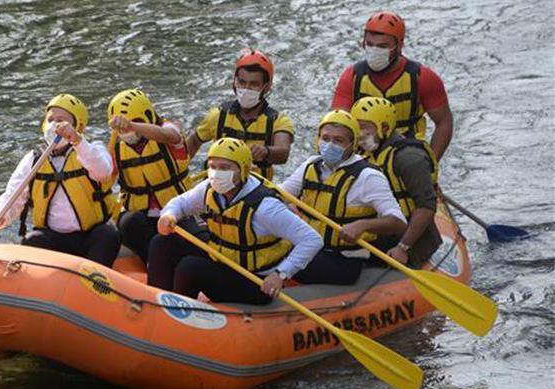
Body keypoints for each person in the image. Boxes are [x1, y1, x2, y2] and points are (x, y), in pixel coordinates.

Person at [147, 138, 323, 305]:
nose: (216, 173)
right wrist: (169, 215)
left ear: (243, 170)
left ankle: (178, 317)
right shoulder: (210, 188)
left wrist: (281, 274)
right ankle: (154, 302)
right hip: (224, 259)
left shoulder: (266, 208)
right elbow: (181, 203)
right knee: (162, 243)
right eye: (212, 166)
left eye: (225, 167)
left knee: (190, 268)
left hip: (253, 280)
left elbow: (312, 239)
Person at [0, 93, 120, 267]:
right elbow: (14, 195)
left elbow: (103, 171)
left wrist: (77, 140)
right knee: (32, 240)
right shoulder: (33, 159)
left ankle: (95, 283)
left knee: (108, 235)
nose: (55, 124)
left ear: (78, 125)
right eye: (50, 119)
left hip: (90, 236)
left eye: (62, 120)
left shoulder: (91, 150)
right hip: (53, 238)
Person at [280, 110, 407, 285]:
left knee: (278, 259)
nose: (329, 144)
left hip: (342, 258)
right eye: (325, 138)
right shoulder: (311, 165)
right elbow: (278, 196)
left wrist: (363, 225)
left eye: (338, 140)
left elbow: (398, 222)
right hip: (310, 247)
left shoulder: (368, 176)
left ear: (352, 144)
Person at [330, 11, 453, 160]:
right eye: (369, 44)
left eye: (382, 46)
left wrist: (431, 164)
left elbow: (444, 122)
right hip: (363, 152)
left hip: (409, 155)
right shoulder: (352, 77)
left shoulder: (423, 78)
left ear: (399, 45)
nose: (374, 50)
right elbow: (338, 124)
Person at [107, 88, 195, 264]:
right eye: (122, 127)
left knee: (187, 238)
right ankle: (152, 262)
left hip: (175, 212)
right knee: (128, 223)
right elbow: (105, 178)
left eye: (135, 122)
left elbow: (169, 136)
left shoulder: (168, 129)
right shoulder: (116, 147)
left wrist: (132, 125)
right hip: (141, 216)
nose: (127, 131)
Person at [351, 96, 441, 267]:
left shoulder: (409, 159)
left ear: (383, 127)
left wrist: (403, 247)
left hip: (407, 237)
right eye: (355, 127)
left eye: (363, 127)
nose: (358, 133)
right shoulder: (365, 151)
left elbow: (426, 206)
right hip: (379, 227)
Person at [186, 49, 295, 179]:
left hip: (256, 189)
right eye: (242, 82)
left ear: (266, 86)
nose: (246, 89)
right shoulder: (218, 116)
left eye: (254, 84)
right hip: (217, 184)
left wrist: (266, 151)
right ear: (234, 81)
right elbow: (193, 141)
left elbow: (283, 153)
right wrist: (180, 168)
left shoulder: (278, 121)